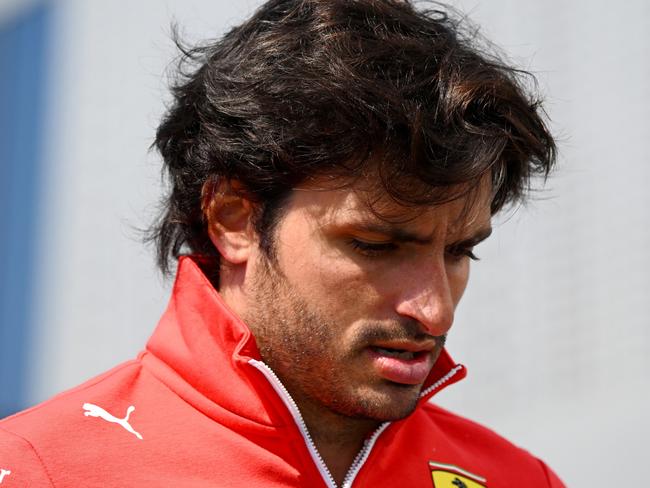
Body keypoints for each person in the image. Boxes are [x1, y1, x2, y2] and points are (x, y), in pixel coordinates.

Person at [0, 1, 565, 486]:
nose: (434, 310)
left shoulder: (517, 478)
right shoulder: (39, 469)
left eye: (459, 251)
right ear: (234, 220)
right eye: (374, 244)